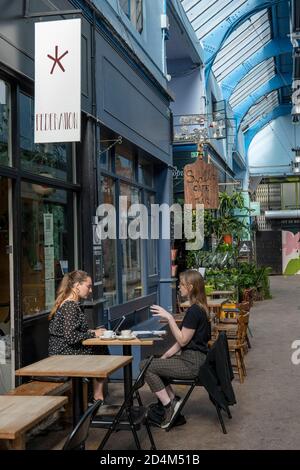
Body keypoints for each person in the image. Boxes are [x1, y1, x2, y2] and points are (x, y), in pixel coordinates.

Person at [140, 269, 210, 429]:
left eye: (182, 284)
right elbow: (183, 342)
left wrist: (170, 318)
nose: (179, 287)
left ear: (190, 287)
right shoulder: (199, 308)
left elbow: (183, 340)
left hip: (192, 363)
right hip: (195, 359)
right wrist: (165, 356)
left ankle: (168, 406)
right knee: (155, 362)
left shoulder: (194, 311)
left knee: (145, 365)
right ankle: (174, 401)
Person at [48, 270, 107, 402]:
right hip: (63, 354)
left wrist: (93, 332)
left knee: (100, 349)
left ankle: (93, 396)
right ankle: (96, 396)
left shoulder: (71, 304)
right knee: (100, 351)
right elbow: (70, 337)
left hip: (62, 351)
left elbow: (71, 332)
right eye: (88, 286)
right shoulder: (70, 306)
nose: (90, 290)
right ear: (77, 285)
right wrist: (93, 333)